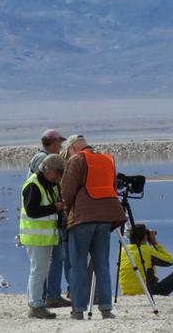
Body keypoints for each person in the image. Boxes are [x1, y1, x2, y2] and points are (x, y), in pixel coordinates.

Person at [60, 135, 126, 320]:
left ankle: (78, 309)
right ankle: (106, 308)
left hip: (83, 218)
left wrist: (67, 209)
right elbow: (112, 186)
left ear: (72, 148)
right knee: (102, 264)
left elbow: (67, 189)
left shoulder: (77, 159)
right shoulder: (107, 159)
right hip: (106, 218)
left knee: (78, 264)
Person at [20, 154, 66, 319]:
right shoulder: (33, 184)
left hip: (45, 236)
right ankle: (35, 306)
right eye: (59, 173)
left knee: (40, 271)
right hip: (35, 237)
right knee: (38, 271)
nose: (60, 177)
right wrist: (55, 207)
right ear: (50, 170)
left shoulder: (50, 184)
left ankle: (34, 302)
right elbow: (32, 211)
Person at [29, 129, 71, 307]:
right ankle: (48, 296)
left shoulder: (45, 158)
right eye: (59, 142)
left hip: (49, 221)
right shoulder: (43, 160)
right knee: (48, 262)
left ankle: (49, 295)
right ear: (52, 143)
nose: (61, 146)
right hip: (43, 224)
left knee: (54, 259)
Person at [119, 224, 173, 298]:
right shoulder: (147, 250)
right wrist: (154, 243)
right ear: (145, 237)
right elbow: (169, 261)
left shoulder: (123, 250)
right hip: (147, 292)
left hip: (126, 293)